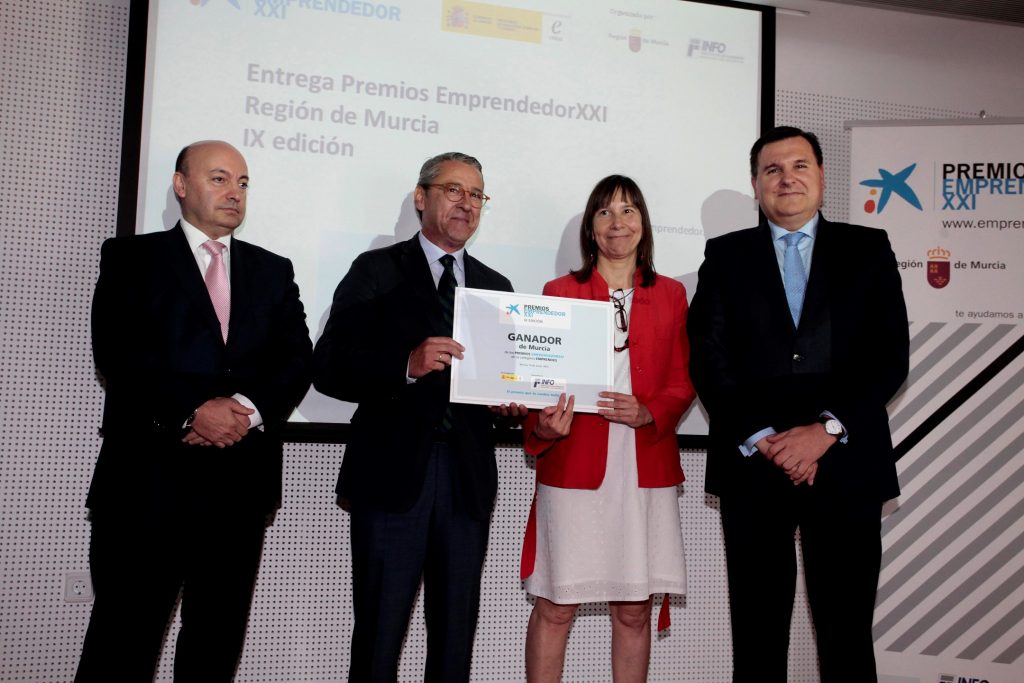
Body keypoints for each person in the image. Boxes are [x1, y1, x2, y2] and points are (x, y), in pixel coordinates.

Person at [75, 140, 313, 681]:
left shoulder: (273, 270)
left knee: (215, 647)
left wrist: (244, 411)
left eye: (243, 183)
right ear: (181, 185)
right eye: (220, 178)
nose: (234, 193)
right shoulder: (132, 257)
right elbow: (118, 353)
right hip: (146, 485)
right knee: (121, 646)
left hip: (239, 490)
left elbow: (297, 360)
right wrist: (192, 411)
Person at [687, 126, 910, 682]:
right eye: (773, 170)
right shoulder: (726, 255)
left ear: (822, 176)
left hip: (846, 462)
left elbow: (888, 358)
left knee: (846, 636)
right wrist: (764, 437)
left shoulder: (868, 248)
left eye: (799, 166)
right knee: (758, 638)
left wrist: (825, 430)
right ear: (756, 185)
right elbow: (709, 359)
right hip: (754, 465)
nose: (786, 178)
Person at [312, 152, 525, 682]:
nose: (467, 203)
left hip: (467, 479)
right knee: (379, 640)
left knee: (455, 643)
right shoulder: (376, 269)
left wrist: (510, 406)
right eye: (454, 190)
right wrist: (404, 365)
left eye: (476, 194)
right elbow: (329, 365)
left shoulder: (496, 286)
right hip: (392, 476)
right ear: (421, 197)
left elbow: (502, 385)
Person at [520, 175, 695, 683]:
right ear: (591, 229)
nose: (617, 222)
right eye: (605, 212)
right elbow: (537, 381)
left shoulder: (672, 294)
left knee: (634, 610)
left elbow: (683, 379)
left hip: (644, 464)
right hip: (574, 463)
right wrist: (544, 426)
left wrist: (650, 411)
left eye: (628, 210)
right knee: (556, 604)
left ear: (643, 224)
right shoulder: (559, 292)